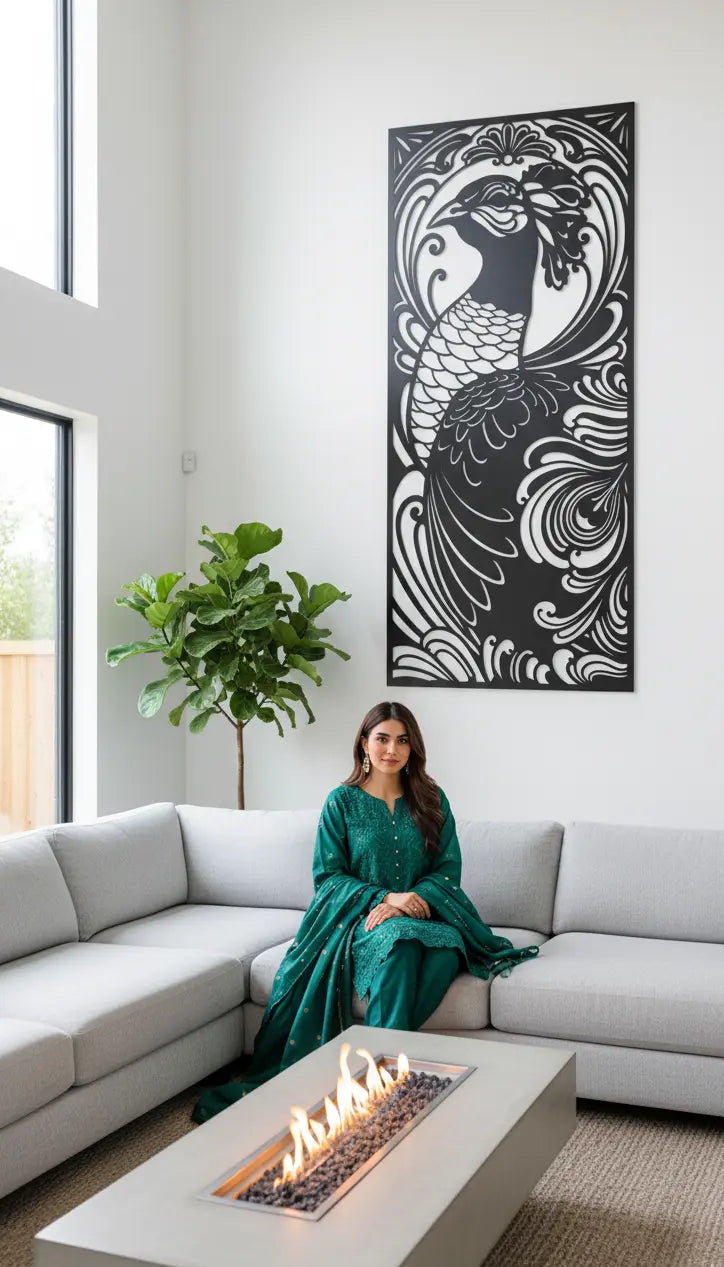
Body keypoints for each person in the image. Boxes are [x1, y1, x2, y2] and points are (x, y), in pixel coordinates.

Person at [193, 701, 539, 1122]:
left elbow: (448, 869)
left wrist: (416, 899)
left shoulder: (430, 799)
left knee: (449, 950)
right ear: (364, 742)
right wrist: (386, 899)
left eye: (402, 740)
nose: (391, 749)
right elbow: (329, 877)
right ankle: (385, 1082)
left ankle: (373, 1074)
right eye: (382, 738)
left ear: (413, 748)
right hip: (360, 920)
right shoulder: (342, 802)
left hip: (425, 915)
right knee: (400, 947)